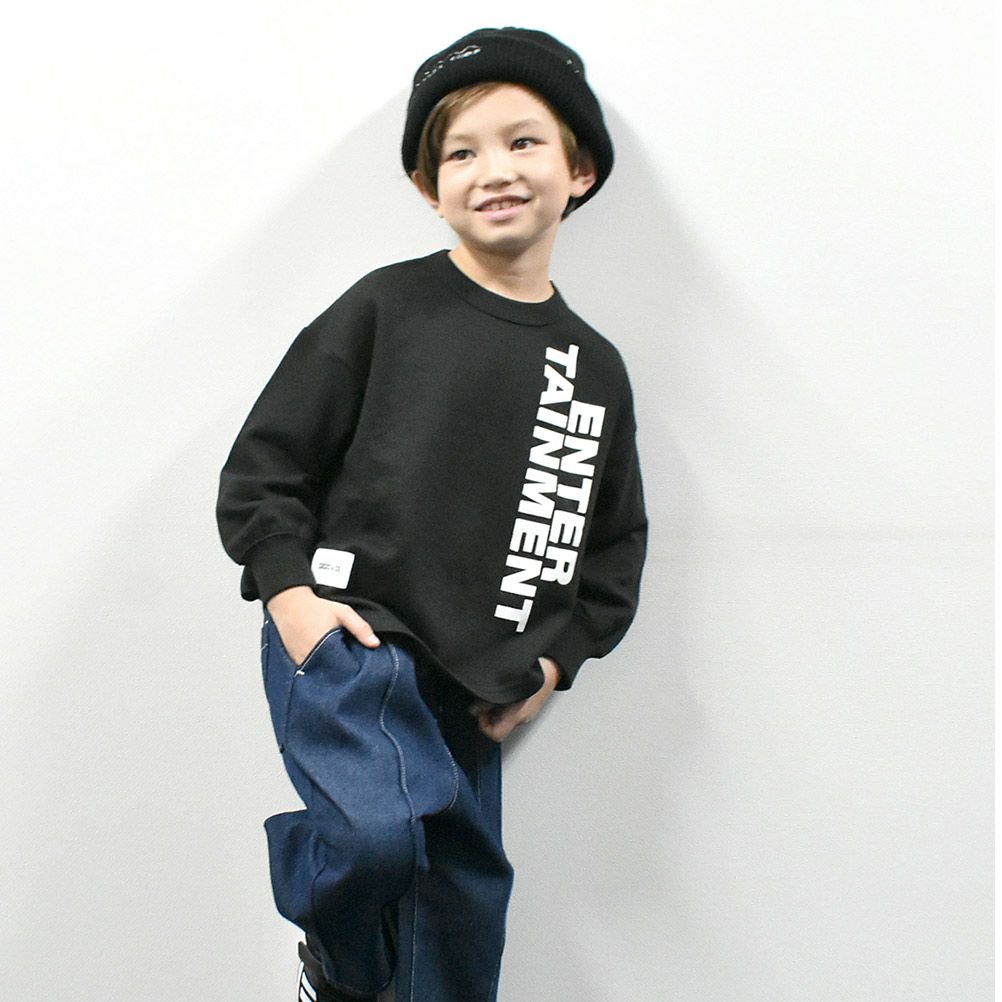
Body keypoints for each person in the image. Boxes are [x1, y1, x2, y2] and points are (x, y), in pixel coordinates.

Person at [216, 26, 647, 1002]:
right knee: (375, 836)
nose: (494, 170)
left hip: (478, 684)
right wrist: (292, 599)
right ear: (428, 187)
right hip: (354, 645)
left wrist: (554, 661)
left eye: (523, 141)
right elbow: (264, 468)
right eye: (461, 152)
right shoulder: (387, 307)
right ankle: (334, 970)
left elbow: (616, 545)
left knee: (460, 917)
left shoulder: (591, 369)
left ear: (579, 169)